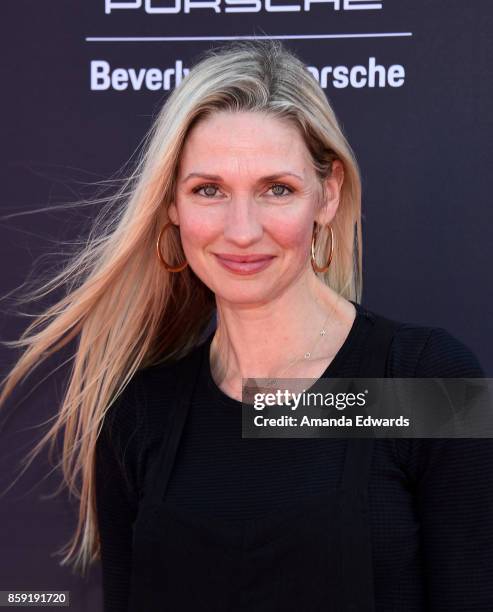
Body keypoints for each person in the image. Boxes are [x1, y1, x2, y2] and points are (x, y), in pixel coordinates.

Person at [1, 39, 492, 611]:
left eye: (275, 190)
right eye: (209, 190)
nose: (241, 230)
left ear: (326, 196)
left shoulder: (424, 383)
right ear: (172, 206)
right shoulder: (140, 414)